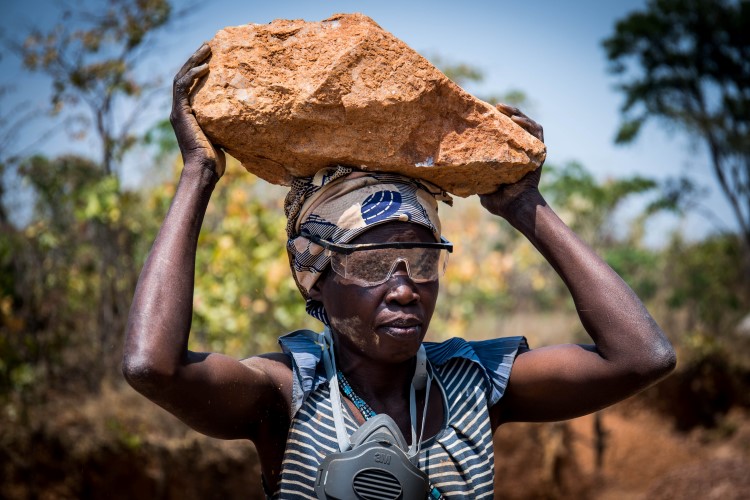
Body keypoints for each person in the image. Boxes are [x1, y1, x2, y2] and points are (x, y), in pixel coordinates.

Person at [123, 44, 676, 499]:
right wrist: (197, 172)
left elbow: (641, 357)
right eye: (373, 264)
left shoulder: (473, 385)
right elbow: (152, 366)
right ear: (317, 277)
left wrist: (525, 205)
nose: (406, 288)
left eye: (425, 260)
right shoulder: (288, 394)